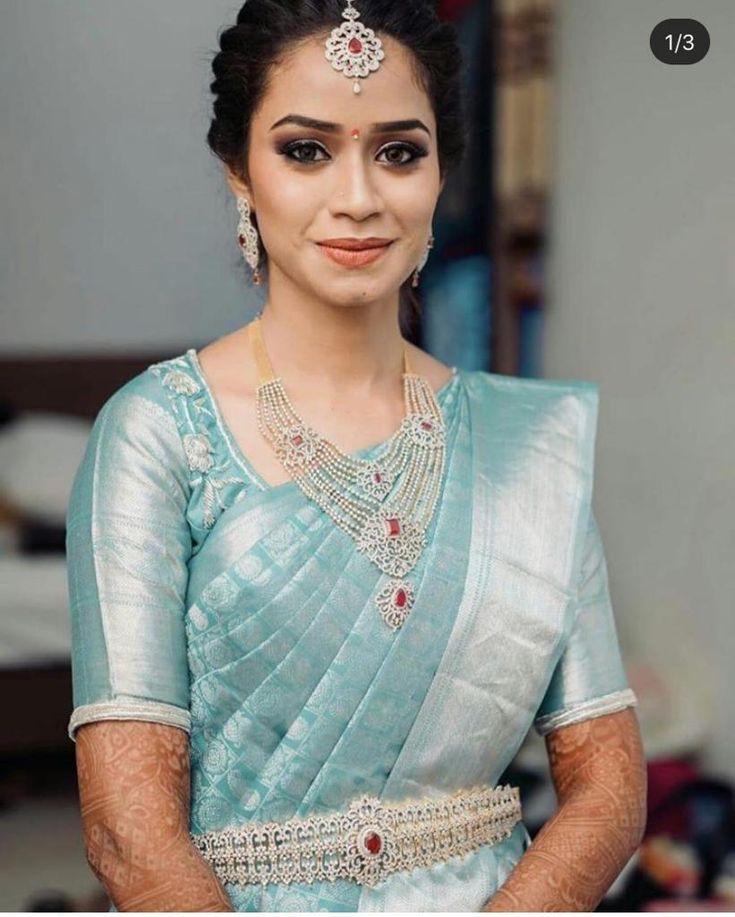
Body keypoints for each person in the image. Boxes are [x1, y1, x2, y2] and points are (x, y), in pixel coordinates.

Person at [66, 0, 647, 911]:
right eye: (305, 149)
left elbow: (608, 786)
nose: (359, 196)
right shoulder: (156, 433)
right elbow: (127, 833)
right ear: (239, 175)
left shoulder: (525, 449)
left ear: (439, 173)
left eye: (398, 151)